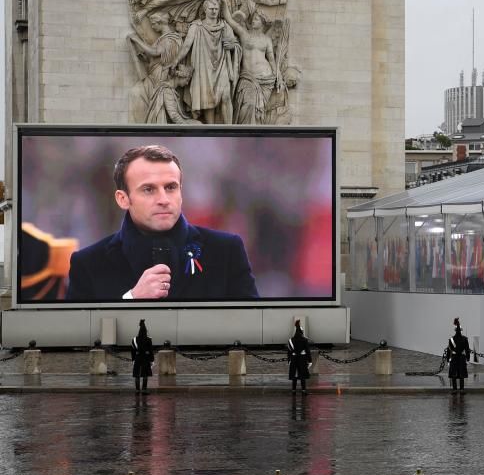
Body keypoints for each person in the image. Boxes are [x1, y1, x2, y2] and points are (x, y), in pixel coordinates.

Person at [66, 145, 259, 301]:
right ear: (122, 199)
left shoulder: (226, 251)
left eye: (170, 187)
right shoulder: (88, 264)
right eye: (149, 190)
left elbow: (253, 327)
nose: (164, 199)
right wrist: (131, 299)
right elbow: (77, 340)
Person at [446, 318, 471, 392]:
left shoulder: (451, 339)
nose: (458, 332)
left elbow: (449, 350)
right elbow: (467, 350)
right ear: (460, 330)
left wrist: (448, 359)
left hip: (455, 357)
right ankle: (461, 389)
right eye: (459, 330)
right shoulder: (464, 339)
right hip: (461, 358)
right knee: (460, 373)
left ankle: (455, 389)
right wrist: (468, 358)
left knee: (456, 373)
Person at [287, 320, 311, 393]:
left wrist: (289, 360)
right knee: (302, 375)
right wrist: (310, 360)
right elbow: (307, 351)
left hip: (294, 359)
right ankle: (303, 390)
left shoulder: (290, 340)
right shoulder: (304, 340)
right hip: (302, 359)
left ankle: (293, 390)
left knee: (294, 375)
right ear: (301, 331)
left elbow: (289, 352)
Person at [132, 319, 155, 393]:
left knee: (137, 374)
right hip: (146, 357)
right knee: (145, 374)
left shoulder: (134, 339)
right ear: (145, 331)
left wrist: (133, 359)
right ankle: (144, 389)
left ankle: (137, 390)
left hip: (138, 357)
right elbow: (151, 351)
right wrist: (152, 360)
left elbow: (132, 351)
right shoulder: (148, 339)